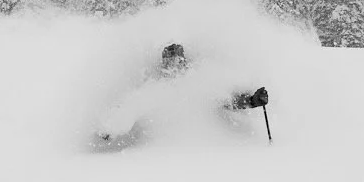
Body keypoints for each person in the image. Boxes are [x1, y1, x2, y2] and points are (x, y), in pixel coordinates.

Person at [95, 42, 269, 145]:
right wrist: (110, 129)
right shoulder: (153, 89)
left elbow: (231, 102)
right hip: (157, 158)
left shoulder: (200, 84)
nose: (172, 64)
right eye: (168, 60)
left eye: (176, 60)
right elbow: (129, 109)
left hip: (204, 153)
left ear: (183, 61)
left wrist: (253, 100)